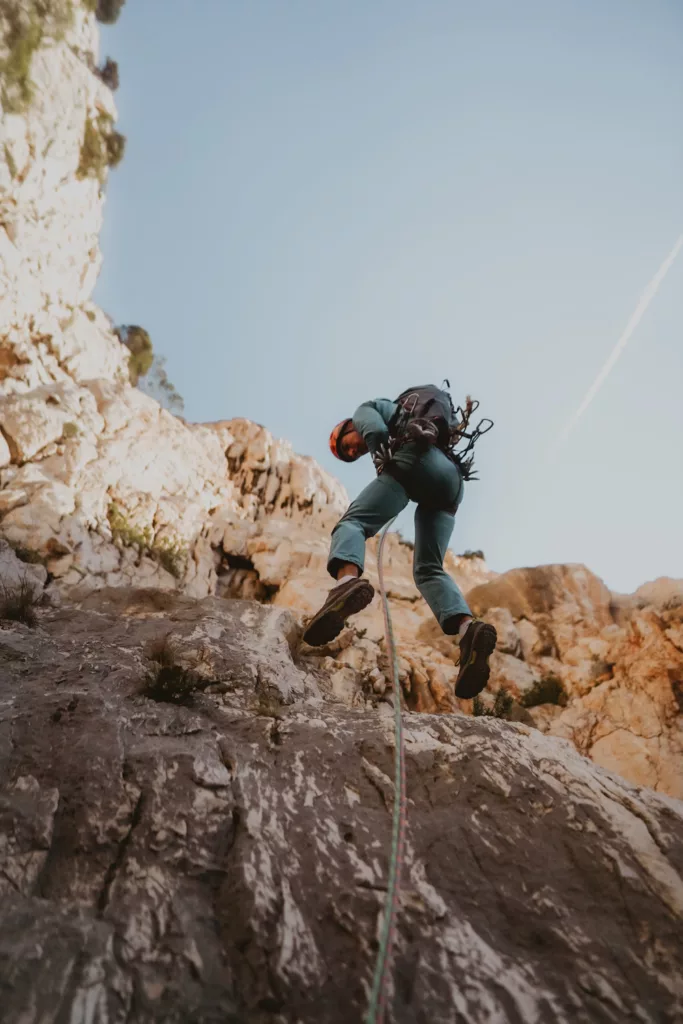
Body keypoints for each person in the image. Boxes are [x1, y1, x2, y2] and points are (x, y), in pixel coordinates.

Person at [302, 385, 497, 700]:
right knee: (428, 569)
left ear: (345, 428)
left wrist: (381, 456)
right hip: (451, 482)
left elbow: (375, 425)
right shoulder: (430, 416)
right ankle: (468, 630)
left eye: (347, 447)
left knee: (352, 523)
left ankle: (345, 584)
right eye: (349, 456)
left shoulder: (364, 410)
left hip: (416, 458)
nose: (353, 452)